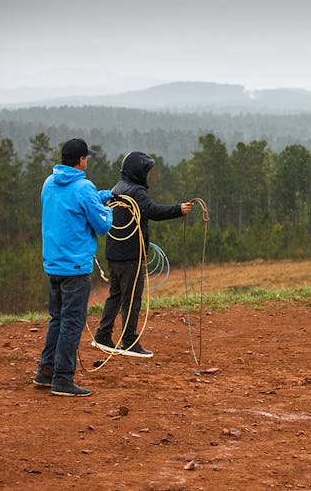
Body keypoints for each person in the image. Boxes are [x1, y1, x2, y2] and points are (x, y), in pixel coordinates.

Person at [93, 151, 193, 358]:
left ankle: (103, 335)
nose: (147, 174)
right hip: (131, 255)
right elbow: (152, 211)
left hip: (113, 253)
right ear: (138, 172)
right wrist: (178, 209)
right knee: (132, 299)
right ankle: (129, 341)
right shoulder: (136, 191)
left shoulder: (116, 188)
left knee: (116, 295)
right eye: (145, 170)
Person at [34, 139, 113, 397]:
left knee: (57, 319)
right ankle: (63, 379)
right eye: (86, 157)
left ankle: (46, 372)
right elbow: (102, 225)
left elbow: (71, 206)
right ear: (81, 160)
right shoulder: (83, 187)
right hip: (76, 268)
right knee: (72, 322)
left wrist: (98, 197)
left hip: (54, 264)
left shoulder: (48, 183)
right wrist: (106, 209)